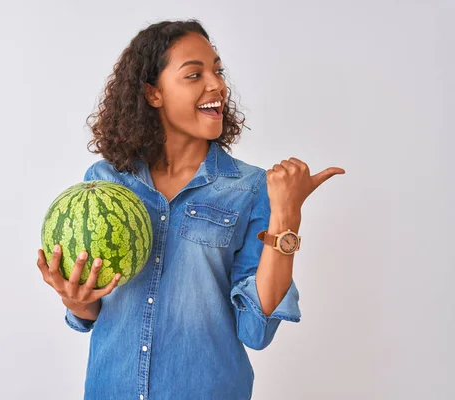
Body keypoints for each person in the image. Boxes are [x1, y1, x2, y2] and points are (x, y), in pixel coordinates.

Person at [36, 19, 345, 400]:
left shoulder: (249, 188)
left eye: (217, 70)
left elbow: (256, 331)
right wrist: (75, 298)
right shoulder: (105, 181)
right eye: (194, 74)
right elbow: (90, 311)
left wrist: (286, 215)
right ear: (153, 94)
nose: (216, 84)